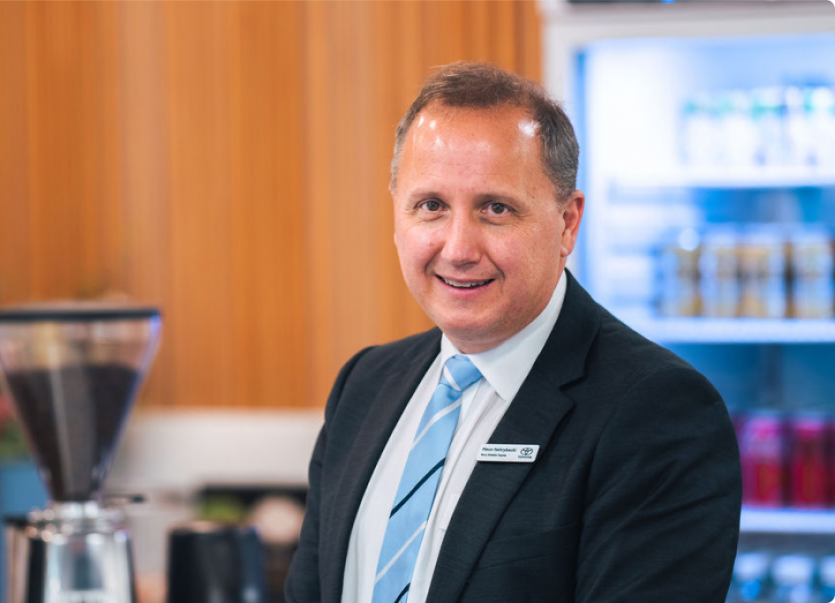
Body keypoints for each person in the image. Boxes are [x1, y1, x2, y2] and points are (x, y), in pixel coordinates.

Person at [284, 62, 741, 603]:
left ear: (567, 223)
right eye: (431, 206)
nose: (457, 249)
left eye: (495, 209)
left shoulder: (659, 411)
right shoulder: (364, 386)